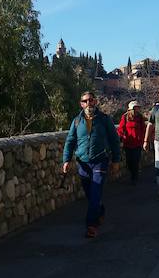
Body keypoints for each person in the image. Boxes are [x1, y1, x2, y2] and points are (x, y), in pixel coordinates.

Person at [62, 91, 121, 238]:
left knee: (95, 193)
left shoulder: (104, 119)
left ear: (95, 102)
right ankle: (100, 209)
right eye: (86, 101)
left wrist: (116, 160)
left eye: (91, 100)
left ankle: (91, 225)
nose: (89, 103)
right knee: (90, 195)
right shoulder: (76, 121)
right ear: (81, 104)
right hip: (83, 163)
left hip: (100, 161)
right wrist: (66, 160)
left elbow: (114, 140)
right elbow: (70, 141)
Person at [117, 100, 147, 184]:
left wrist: (143, 139)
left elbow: (143, 129)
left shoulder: (140, 117)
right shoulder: (125, 117)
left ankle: (135, 177)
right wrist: (122, 136)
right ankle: (132, 173)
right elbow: (120, 128)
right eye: (136, 108)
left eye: (138, 107)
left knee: (136, 160)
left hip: (137, 143)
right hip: (128, 143)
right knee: (129, 161)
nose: (137, 109)